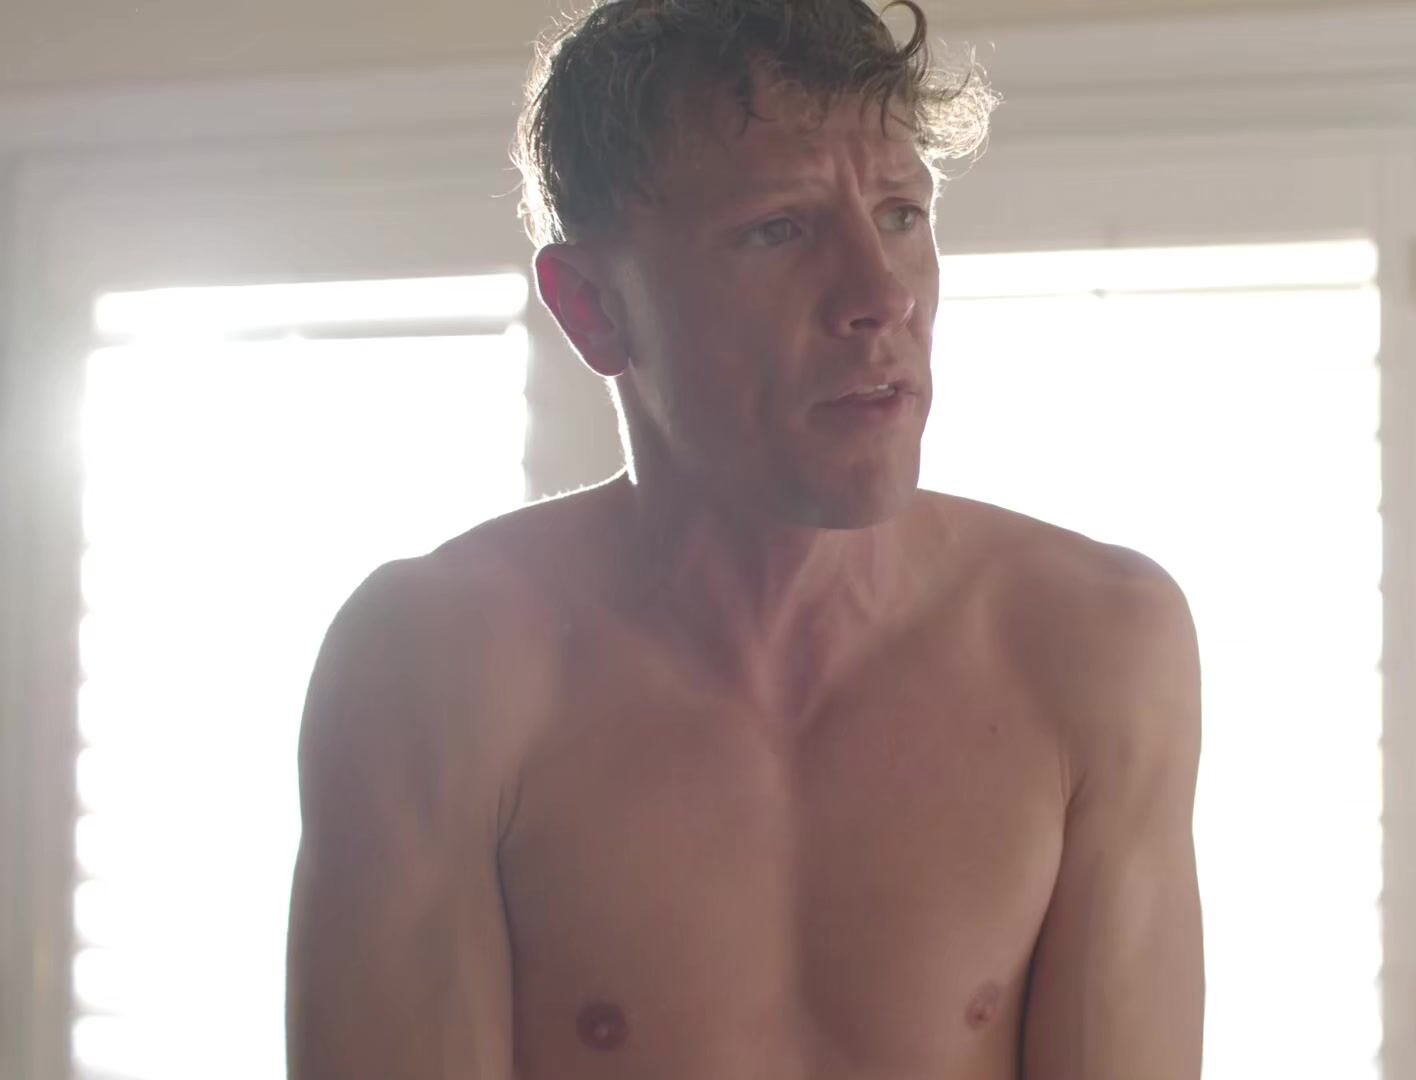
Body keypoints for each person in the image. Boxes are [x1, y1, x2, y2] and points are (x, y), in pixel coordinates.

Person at [285, 1, 1203, 1076]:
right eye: (781, 229)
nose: (880, 297)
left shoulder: (1093, 647)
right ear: (594, 308)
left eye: (901, 214)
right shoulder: (435, 671)